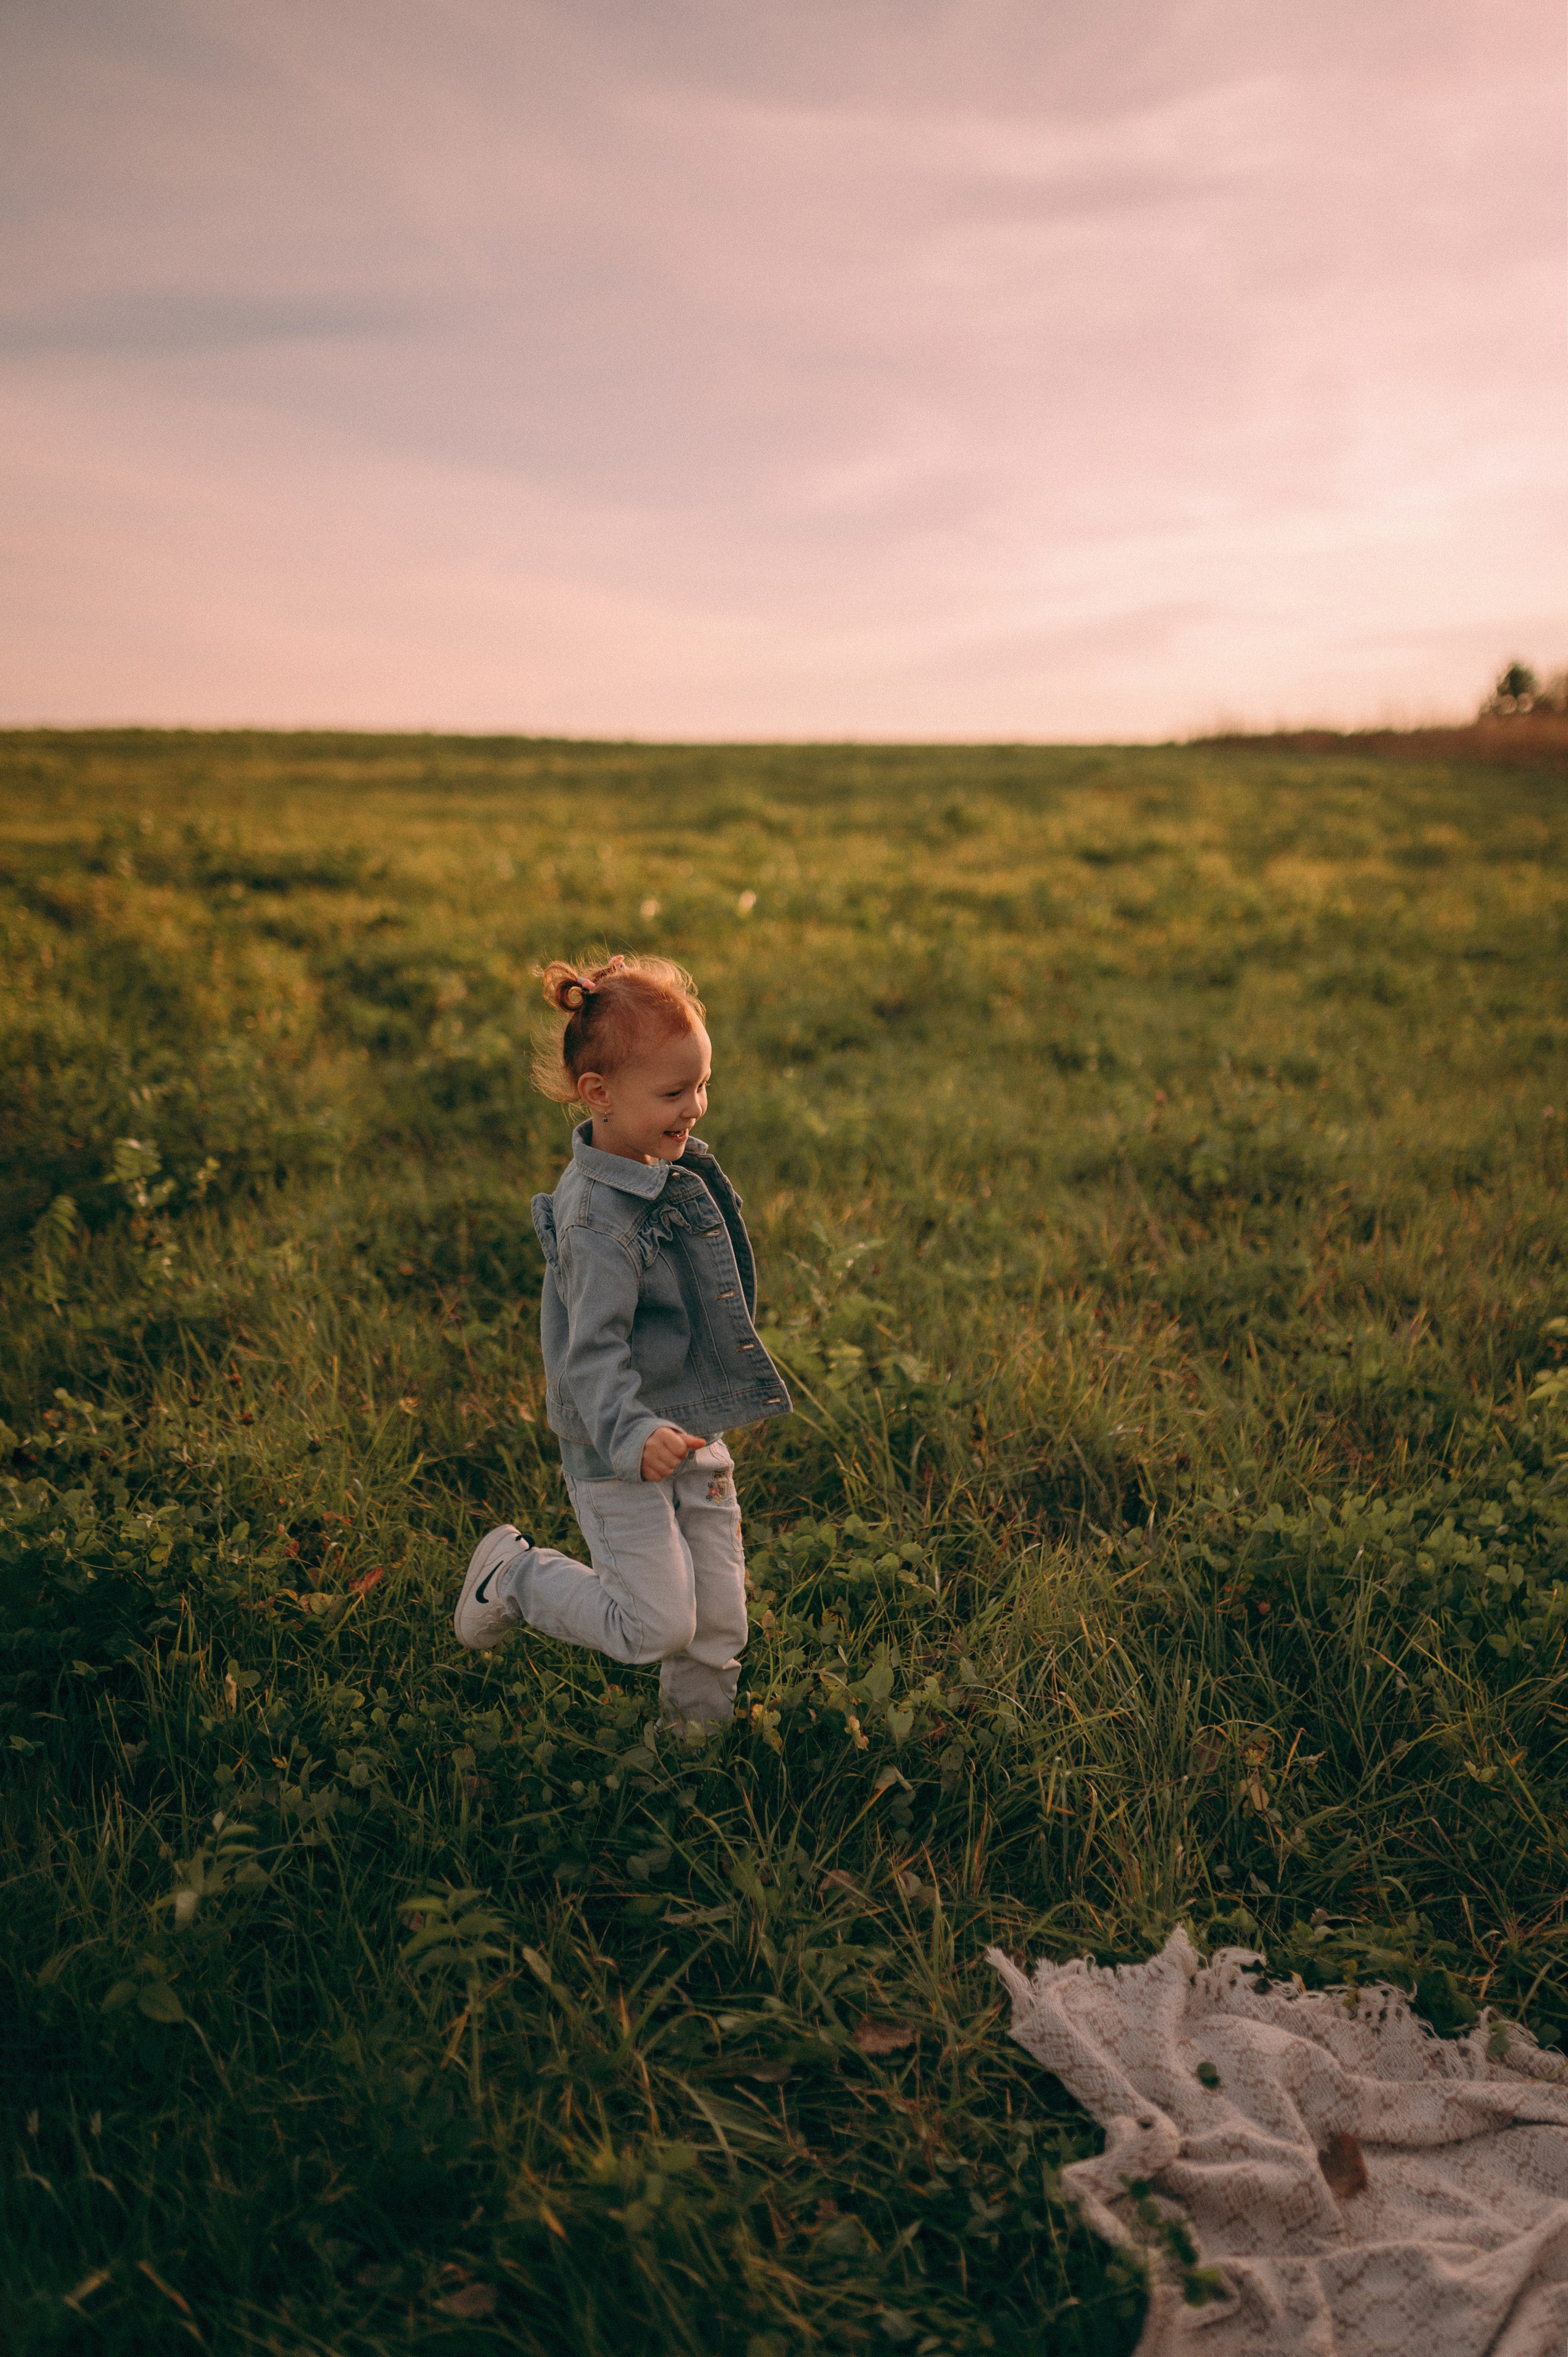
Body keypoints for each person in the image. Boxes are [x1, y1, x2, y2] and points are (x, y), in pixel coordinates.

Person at [452, 952, 790, 1724]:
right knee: (655, 1623)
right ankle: (515, 1576)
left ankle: (692, 1743)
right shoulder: (598, 1223)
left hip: (690, 1427)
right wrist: (635, 1433)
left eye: (702, 1084)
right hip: (619, 1448)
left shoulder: (659, 1161)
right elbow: (592, 1352)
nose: (696, 1106)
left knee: (717, 1614)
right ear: (598, 1095)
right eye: (674, 1092)